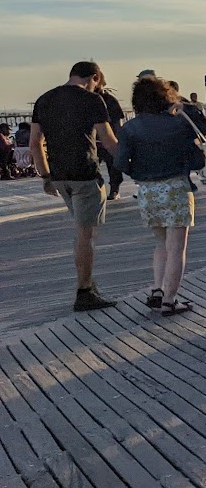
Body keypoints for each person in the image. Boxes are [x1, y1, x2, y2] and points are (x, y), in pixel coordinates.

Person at [29, 61, 120, 311]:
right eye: (97, 84)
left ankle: (88, 282)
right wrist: (130, 165)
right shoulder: (92, 100)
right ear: (94, 77)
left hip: (59, 177)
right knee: (85, 235)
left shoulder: (44, 99)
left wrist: (46, 176)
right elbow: (109, 141)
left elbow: (35, 143)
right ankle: (84, 292)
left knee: (81, 231)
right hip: (86, 174)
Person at [115, 75, 203, 316]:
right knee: (177, 247)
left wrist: (141, 173)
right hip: (176, 186)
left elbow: (120, 162)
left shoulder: (130, 128)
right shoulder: (177, 124)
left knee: (161, 243)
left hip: (147, 191)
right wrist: (185, 107)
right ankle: (170, 300)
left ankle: (157, 289)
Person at [95, 77, 126, 201]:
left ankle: (114, 189)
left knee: (113, 167)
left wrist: (119, 139)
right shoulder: (85, 99)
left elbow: (118, 122)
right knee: (92, 167)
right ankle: (97, 189)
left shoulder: (109, 100)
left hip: (109, 138)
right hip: (93, 141)